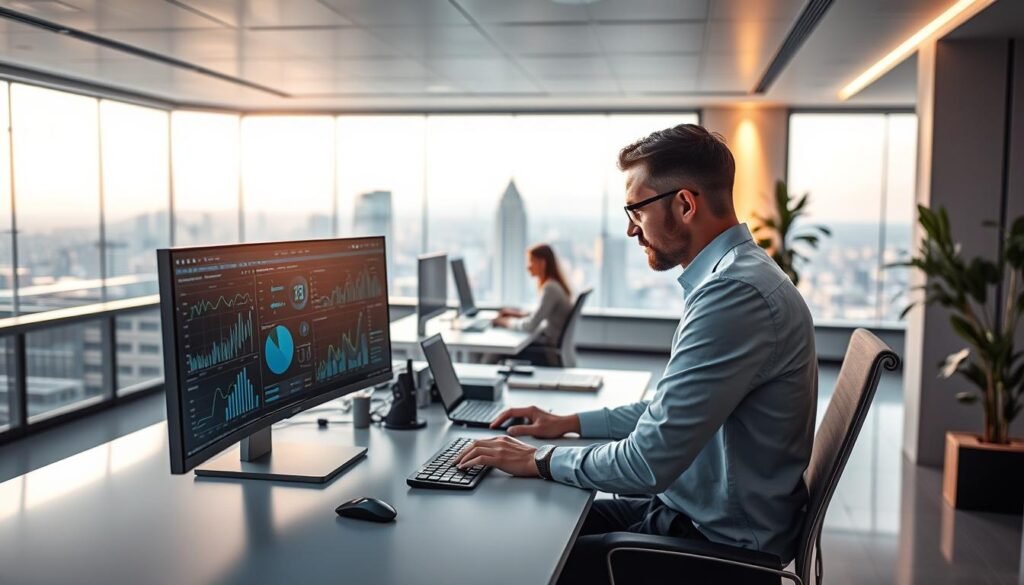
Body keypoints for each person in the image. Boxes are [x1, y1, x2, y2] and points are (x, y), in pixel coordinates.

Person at [454, 124, 817, 584]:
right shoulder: (738, 276)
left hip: (713, 546)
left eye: (636, 210)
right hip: (689, 512)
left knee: (524, 560)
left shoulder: (734, 294)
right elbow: (669, 414)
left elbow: (646, 463)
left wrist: (536, 459)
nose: (630, 229)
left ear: (685, 204)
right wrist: (567, 424)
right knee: (528, 521)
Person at [491, 243, 573, 365]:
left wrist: (505, 322)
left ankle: (478, 381)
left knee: (495, 350)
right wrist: (517, 314)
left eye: (531, 262)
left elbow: (530, 326)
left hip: (546, 352)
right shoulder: (555, 285)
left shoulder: (550, 288)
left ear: (542, 263)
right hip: (550, 345)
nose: (528, 267)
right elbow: (540, 314)